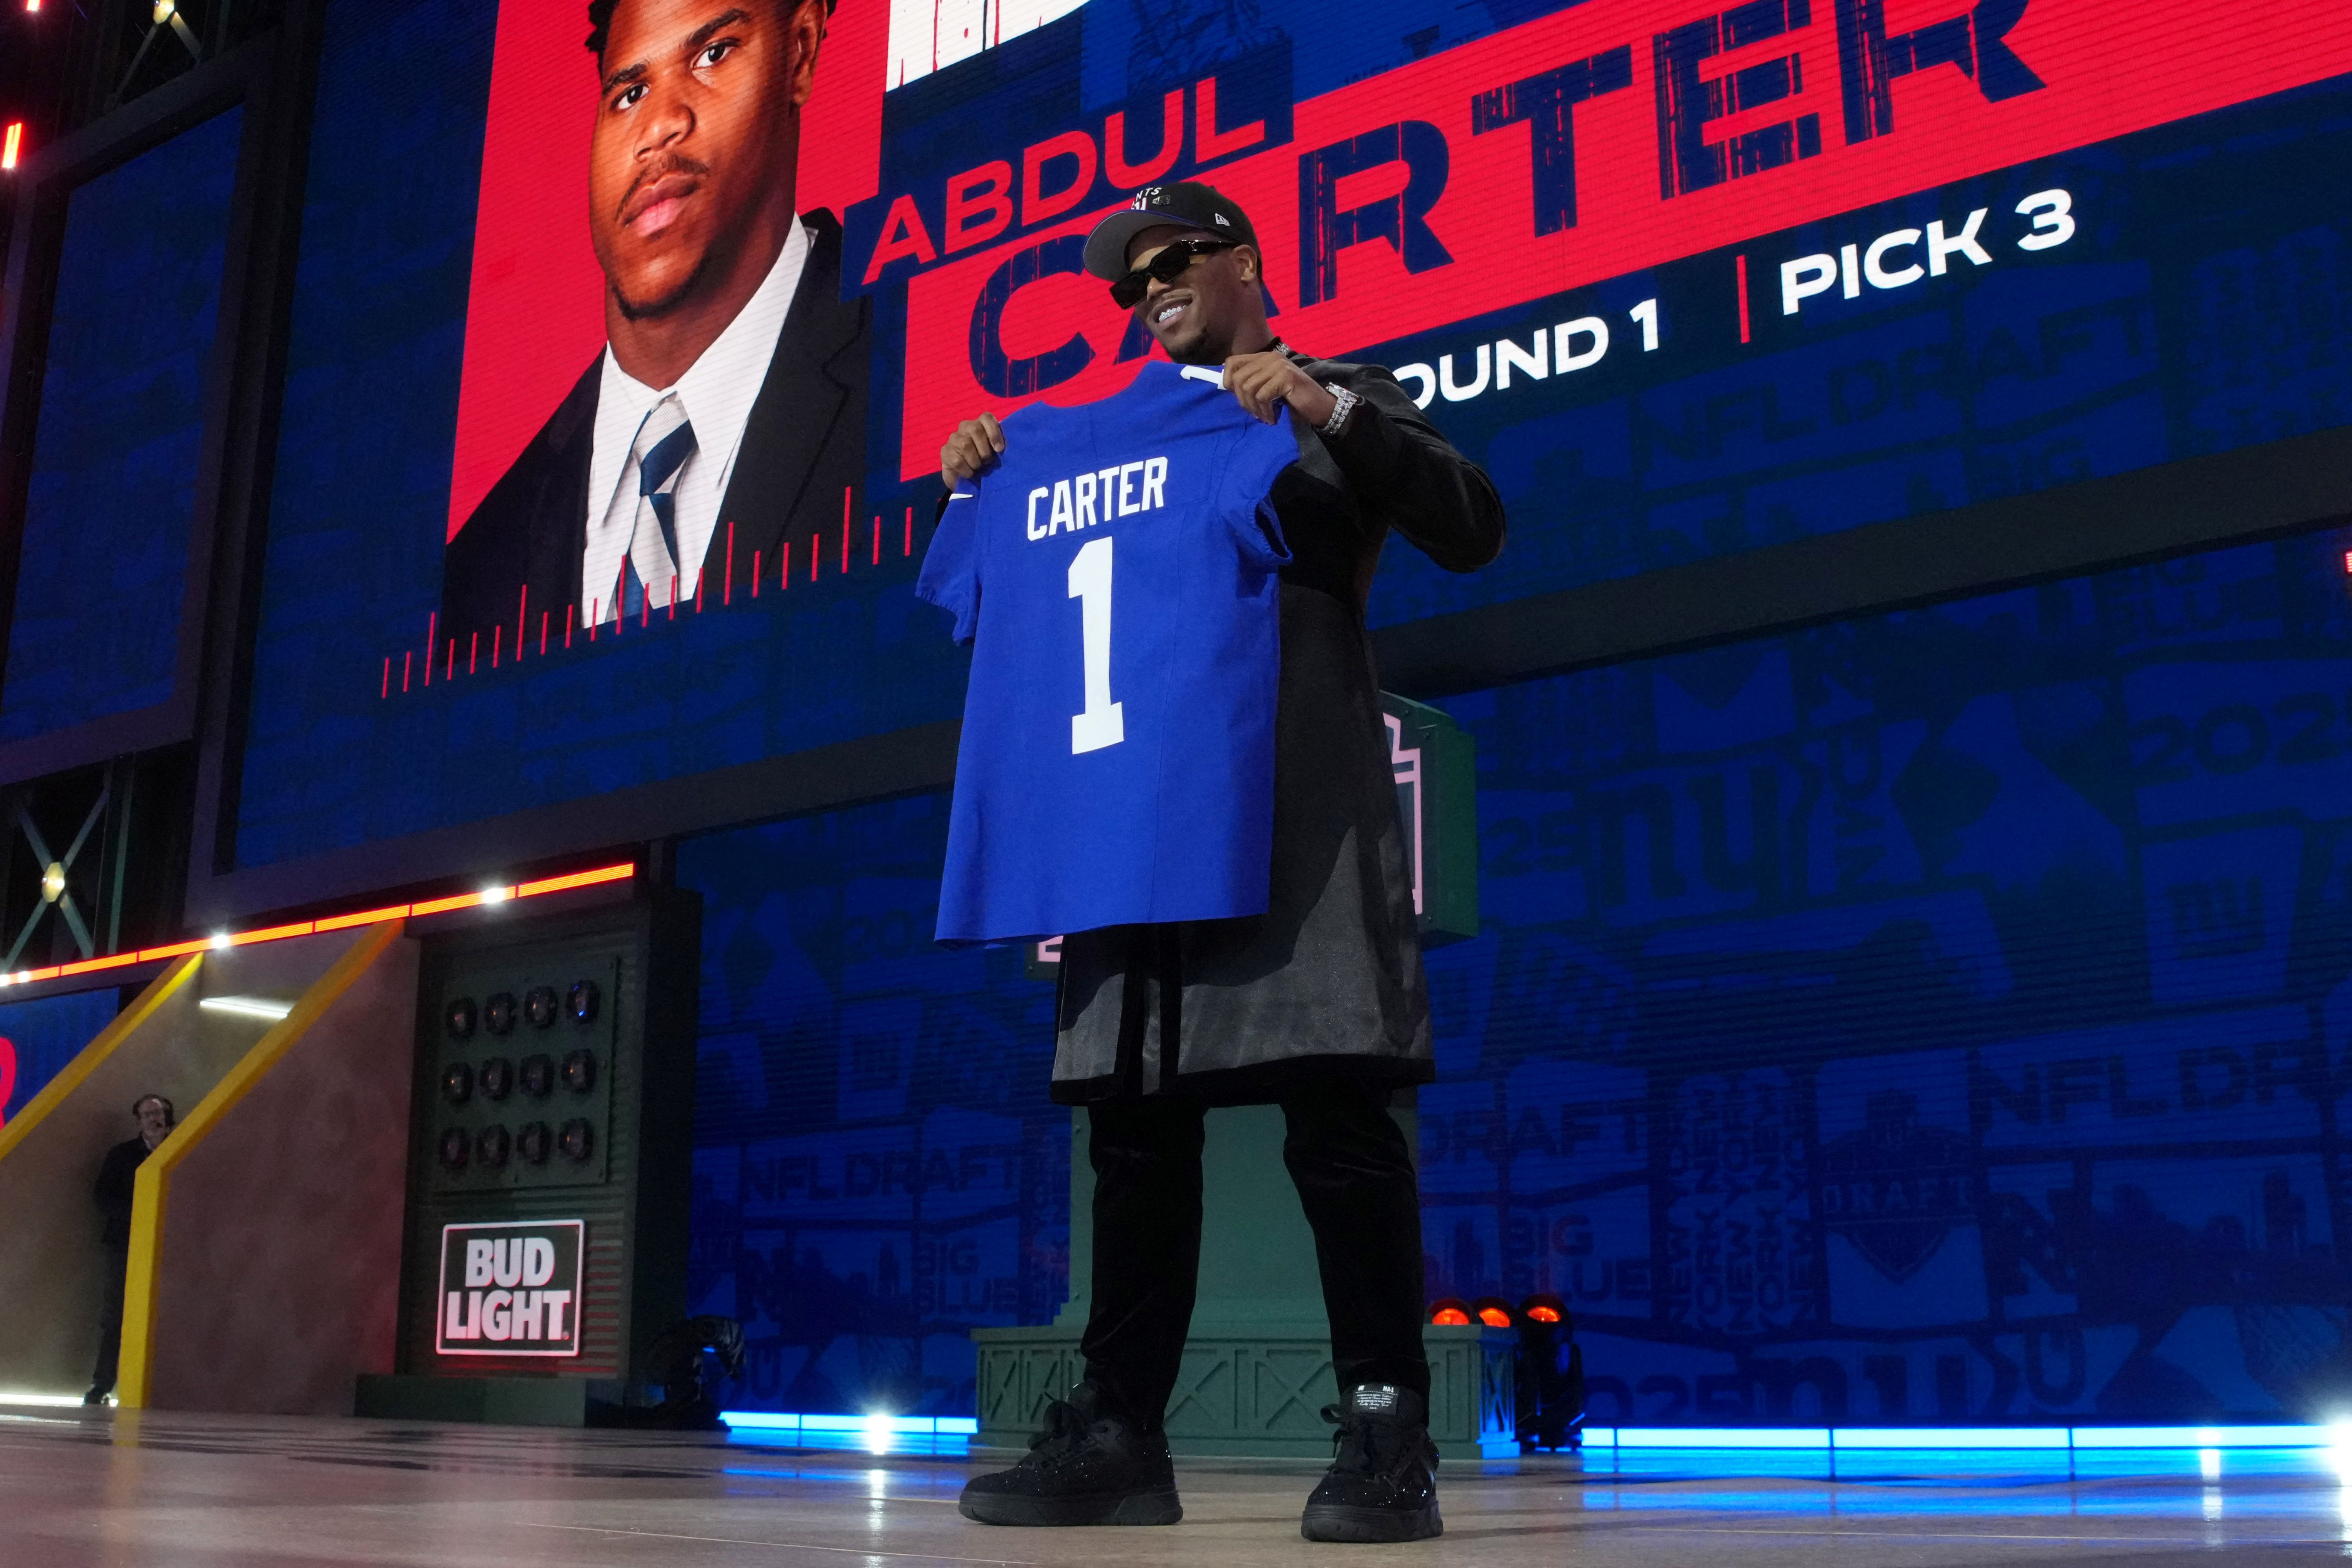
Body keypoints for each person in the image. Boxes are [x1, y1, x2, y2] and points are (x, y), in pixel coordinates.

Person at [942, 182, 1505, 1543]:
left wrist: (1320, 410)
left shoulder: (1339, 394)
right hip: (1130, 812)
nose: (1148, 292)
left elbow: (1472, 522)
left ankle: (1386, 1431)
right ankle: (1119, 1432)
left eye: (1172, 262)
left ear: (1244, 263)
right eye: (1128, 282)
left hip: (1290, 809)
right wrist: (980, 476)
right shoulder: (1073, 444)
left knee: (1339, 1119)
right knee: (1133, 1133)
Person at [439, 0, 869, 648]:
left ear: (800, 51)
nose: (660, 127)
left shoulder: (915, 387)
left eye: (713, 54)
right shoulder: (477, 567)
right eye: (631, 92)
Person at [87, 1093, 173, 1404]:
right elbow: (103, 1198)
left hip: (171, 1247)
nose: (156, 1118)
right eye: (149, 1114)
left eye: (160, 1112)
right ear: (138, 1121)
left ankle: (163, 1387)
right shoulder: (122, 1155)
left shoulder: (182, 1150)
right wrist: (138, 1212)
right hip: (125, 1245)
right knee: (115, 1316)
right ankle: (103, 1384)